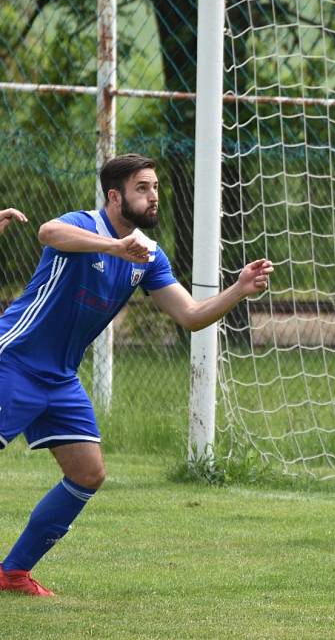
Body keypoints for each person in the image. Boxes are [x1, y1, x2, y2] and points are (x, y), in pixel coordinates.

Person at [0, 154, 274, 596]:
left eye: (155, 188)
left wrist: (239, 289)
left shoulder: (148, 255)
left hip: (60, 379)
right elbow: (47, 232)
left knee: (88, 473)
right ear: (115, 196)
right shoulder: (85, 225)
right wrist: (112, 247)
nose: (153, 196)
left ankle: (12, 572)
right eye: (142, 188)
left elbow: (190, 315)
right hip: (12, 361)